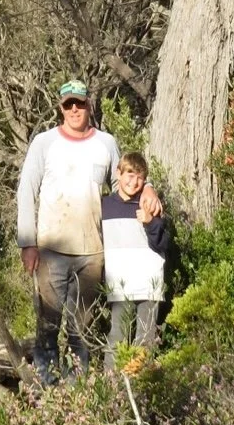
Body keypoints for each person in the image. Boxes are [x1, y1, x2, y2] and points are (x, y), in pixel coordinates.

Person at [15, 78, 160, 382]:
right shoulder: (44, 142)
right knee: (48, 326)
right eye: (68, 104)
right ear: (61, 108)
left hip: (92, 254)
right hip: (50, 250)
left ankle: (76, 390)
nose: (74, 109)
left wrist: (148, 187)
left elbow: (125, 180)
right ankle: (46, 389)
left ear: (89, 105)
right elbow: (26, 190)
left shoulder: (105, 143)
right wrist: (27, 243)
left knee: (80, 329)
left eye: (79, 103)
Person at [101, 151, 168, 374]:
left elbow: (163, 242)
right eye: (130, 175)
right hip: (119, 284)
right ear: (118, 174)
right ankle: (111, 385)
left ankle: (140, 386)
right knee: (117, 337)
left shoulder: (149, 204)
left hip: (149, 284)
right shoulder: (105, 206)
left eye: (140, 177)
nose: (134, 182)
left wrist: (150, 223)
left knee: (145, 340)